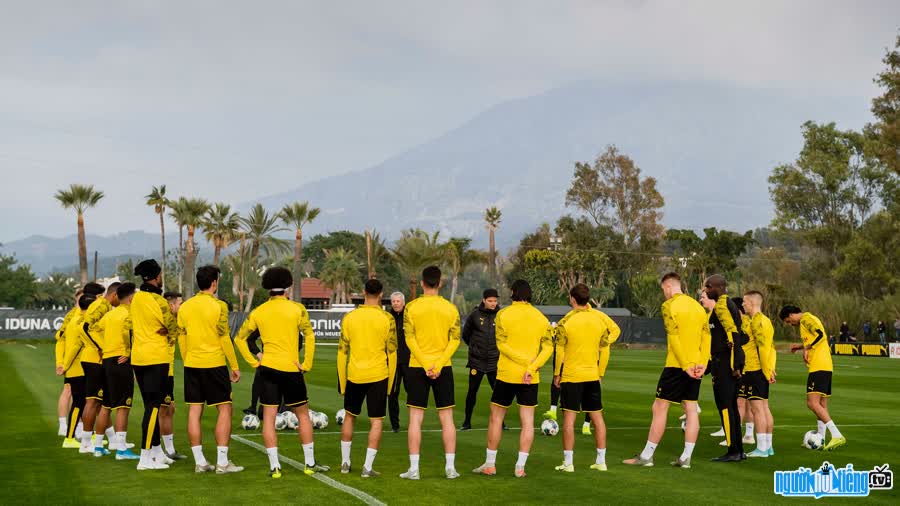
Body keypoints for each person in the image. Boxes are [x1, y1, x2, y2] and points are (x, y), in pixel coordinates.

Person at [234, 266, 329, 478]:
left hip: (268, 369)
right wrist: (307, 364)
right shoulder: (297, 309)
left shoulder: (258, 311)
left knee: (268, 417)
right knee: (303, 415)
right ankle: (309, 464)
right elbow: (310, 336)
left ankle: (274, 467)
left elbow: (239, 338)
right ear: (288, 286)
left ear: (267, 287)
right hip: (292, 368)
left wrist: (253, 362)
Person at [623, 272, 710, 468]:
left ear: (668, 287)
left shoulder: (669, 306)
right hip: (697, 365)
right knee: (691, 409)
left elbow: (674, 338)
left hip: (677, 365)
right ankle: (686, 458)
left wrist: (685, 364)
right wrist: (702, 363)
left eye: (663, 290)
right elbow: (707, 338)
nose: (664, 294)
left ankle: (646, 457)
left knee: (660, 407)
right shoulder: (698, 307)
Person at [471, 280, 552, 478]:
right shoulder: (541, 318)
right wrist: (531, 366)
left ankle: (490, 465)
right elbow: (549, 348)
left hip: (507, 374)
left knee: (496, 418)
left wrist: (523, 362)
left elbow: (501, 344)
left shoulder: (503, 314)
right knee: (527, 422)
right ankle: (520, 468)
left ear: (513, 293)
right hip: (530, 377)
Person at [177, 266, 243, 474]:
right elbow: (224, 337)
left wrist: (188, 359)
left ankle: (200, 462)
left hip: (192, 365)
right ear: (214, 283)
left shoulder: (185, 307)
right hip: (214, 364)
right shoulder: (220, 306)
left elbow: (182, 337)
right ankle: (222, 463)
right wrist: (234, 365)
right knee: (225, 408)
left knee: (195, 411)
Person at [400, 265, 461, 480]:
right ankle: (450, 468)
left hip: (418, 366)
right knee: (447, 419)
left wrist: (426, 364)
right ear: (440, 283)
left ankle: (414, 470)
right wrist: (438, 363)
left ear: (423, 283)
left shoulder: (411, 307)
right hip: (443, 368)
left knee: (416, 419)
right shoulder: (450, 308)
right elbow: (455, 339)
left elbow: (410, 339)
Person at [551, 283, 620, 474]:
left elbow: (560, 350)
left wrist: (557, 373)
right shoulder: (598, 318)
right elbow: (616, 331)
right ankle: (601, 461)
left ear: (572, 299)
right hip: (592, 375)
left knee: (569, 421)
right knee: (597, 418)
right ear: (587, 299)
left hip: (572, 375)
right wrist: (603, 342)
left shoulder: (566, 321)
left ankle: (568, 463)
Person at [336, 278, 397, 478]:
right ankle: (367, 468)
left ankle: (345, 463)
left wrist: (343, 382)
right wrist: (390, 386)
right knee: (376, 421)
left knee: (349, 416)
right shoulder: (387, 319)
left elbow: (342, 352)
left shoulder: (349, 318)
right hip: (378, 375)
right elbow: (393, 353)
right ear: (381, 294)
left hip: (354, 375)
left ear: (363, 292)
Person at [131, 259, 180, 470]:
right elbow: (173, 327)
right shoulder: (160, 302)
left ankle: (156, 453)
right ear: (157, 277)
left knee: (151, 406)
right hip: (156, 358)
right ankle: (145, 458)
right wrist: (170, 328)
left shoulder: (136, 299)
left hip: (139, 358)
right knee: (153, 409)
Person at [780, 305, 846, 451]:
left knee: (812, 403)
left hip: (819, 366)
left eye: (788, 321)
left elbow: (820, 335)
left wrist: (807, 348)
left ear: (791, 315)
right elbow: (814, 339)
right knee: (821, 405)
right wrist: (800, 346)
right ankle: (821, 438)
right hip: (825, 365)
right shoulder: (806, 321)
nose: (790, 324)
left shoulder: (806, 319)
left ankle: (836, 435)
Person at [93, 282, 139, 460]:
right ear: (131, 297)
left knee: (106, 405)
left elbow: (93, 328)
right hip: (121, 361)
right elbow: (134, 337)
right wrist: (128, 353)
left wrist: (103, 347)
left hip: (107, 360)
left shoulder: (111, 315)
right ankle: (121, 450)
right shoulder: (130, 314)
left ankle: (98, 447)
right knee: (122, 406)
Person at [703, 275, 746, 462]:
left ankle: (733, 450)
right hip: (723, 362)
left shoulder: (721, 305)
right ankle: (738, 450)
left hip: (725, 365)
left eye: (708, 287)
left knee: (726, 406)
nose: (705, 290)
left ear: (718, 287)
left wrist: (735, 363)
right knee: (732, 408)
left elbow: (734, 333)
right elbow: (740, 335)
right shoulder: (728, 304)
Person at [79, 282, 120, 455]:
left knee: (100, 401)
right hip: (95, 358)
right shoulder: (102, 305)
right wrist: (102, 348)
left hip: (93, 357)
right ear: (114, 295)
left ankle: (111, 440)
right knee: (93, 401)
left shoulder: (104, 306)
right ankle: (86, 443)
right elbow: (86, 327)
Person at [461, 288, 501, 431]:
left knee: (498, 394)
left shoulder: (501, 315)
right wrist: (474, 348)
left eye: (495, 301)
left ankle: (500, 423)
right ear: (484, 300)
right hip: (476, 362)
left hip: (494, 362)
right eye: (490, 300)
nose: (493, 303)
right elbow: (465, 335)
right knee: (472, 391)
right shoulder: (474, 315)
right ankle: (466, 422)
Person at [742, 291, 776, 457]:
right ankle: (768, 446)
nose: (743, 305)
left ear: (752, 302)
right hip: (760, 370)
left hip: (754, 370)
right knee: (763, 407)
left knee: (757, 409)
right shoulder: (764, 321)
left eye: (744, 302)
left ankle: (762, 448)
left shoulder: (758, 322)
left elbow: (763, 349)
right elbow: (772, 348)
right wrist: (770, 368)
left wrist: (765, 371)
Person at [59, 293, 95, 449]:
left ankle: (85, 436)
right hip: (78, 368)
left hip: (76, 367)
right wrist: (65, 365)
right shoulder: (81, 321)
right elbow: (76, 346)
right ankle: (69, 438)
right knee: (79, 403)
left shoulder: (74, 320)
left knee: (82, 402)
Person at [55, 288, 84, 437]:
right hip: (73, 361)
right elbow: (60, 339)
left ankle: (76, 426)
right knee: (70, 392)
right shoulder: (72, 316)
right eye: (80, 299)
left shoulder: (80, 315)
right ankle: (65, 425)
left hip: (79, 361)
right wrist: (61, 362)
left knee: (77, 394)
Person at [161, 291, 185, 460]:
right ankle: (158, 450)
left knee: (170, 409)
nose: (182, 307)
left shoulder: (174, 321)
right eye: (180, 304)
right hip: (161, 370)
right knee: (162, 410)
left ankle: (169, 449)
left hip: (167, 371)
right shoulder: (164, 322)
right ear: (171, 305)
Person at [732, 297, 757, 448]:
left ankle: (736, 437)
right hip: (749, 367)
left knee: (740, 403)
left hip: (747, 368)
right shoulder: (747, 322)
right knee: (747, 403)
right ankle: (748, 435)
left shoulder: (745, 323)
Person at [387, 292, 408, 432]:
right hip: (392, 361)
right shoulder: (387, 318)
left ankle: (414, 423)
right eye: (393, 301)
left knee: (412, 393)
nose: (395, 303)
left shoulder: (410, 316)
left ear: (403, 302)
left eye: (398, 301)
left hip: (409, 360)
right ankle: (395, 425)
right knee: (392, 393)